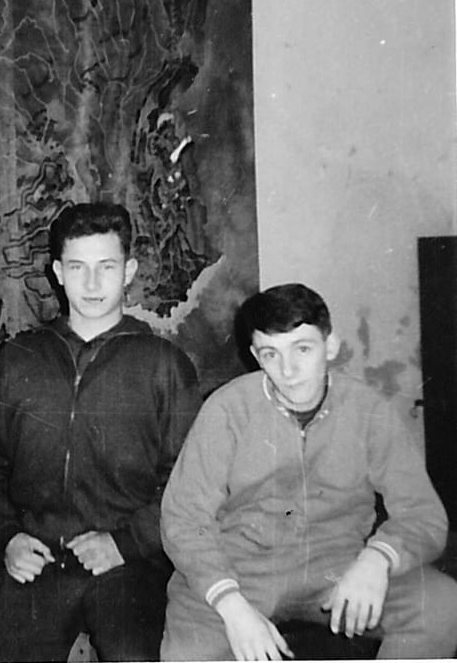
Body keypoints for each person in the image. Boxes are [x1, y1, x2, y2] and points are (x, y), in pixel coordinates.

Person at [0, 201, 202, 663]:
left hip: (130, 565)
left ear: (128, 271)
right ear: (58, 272)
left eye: (106, 266)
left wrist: (126, 544)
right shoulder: (19, 358)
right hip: (36, 558)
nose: (91, 284)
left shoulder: (164, 365)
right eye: (77, 267)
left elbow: (190, 479)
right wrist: (4, 538)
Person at [160, 282, 457, 661]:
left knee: (441, 606)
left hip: (338, 568)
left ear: (330, 346)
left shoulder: (369, 410)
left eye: (302, 349)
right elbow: (184, 520)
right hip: (240, 572)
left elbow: (424, 515)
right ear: (255, 356)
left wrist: (377, 560)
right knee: (188, 656)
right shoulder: (227, 409)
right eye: (271, 354)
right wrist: (231, 605)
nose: (288, 371)